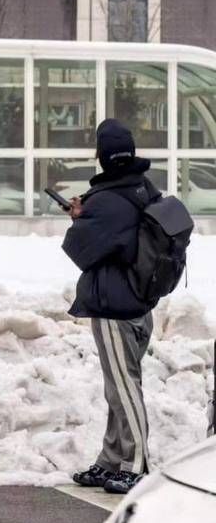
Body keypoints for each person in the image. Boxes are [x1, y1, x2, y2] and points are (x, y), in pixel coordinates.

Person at [64, 120, 161, 495]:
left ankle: (136, 465)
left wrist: (78, 219)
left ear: (100, 155)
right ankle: (111, 461)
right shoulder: (144, 188)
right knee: (118, 384)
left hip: (113, 305)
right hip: (140, 301)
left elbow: (82, 249)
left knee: (123, 387)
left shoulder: (104, 200)